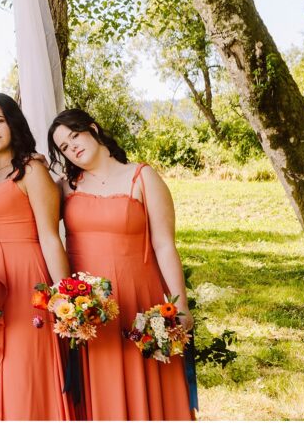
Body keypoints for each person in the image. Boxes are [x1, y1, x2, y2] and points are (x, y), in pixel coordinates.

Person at [49, 109, 193, 421]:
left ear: (93, 128)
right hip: (90, 311)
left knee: (148, 384)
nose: (72, 147)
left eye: (75, 136)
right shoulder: (65, 187)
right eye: (64, 146)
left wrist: (180, 304)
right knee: (104, 389)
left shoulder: (141, 177)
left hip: (139, 300)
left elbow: (164, 244)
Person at [0, 94, 73, 422]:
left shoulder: (31, 169)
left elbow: (50, 236)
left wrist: (65, 295)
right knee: (2, 363)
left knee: (25, 364)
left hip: (27, 279)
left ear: (13, 122)